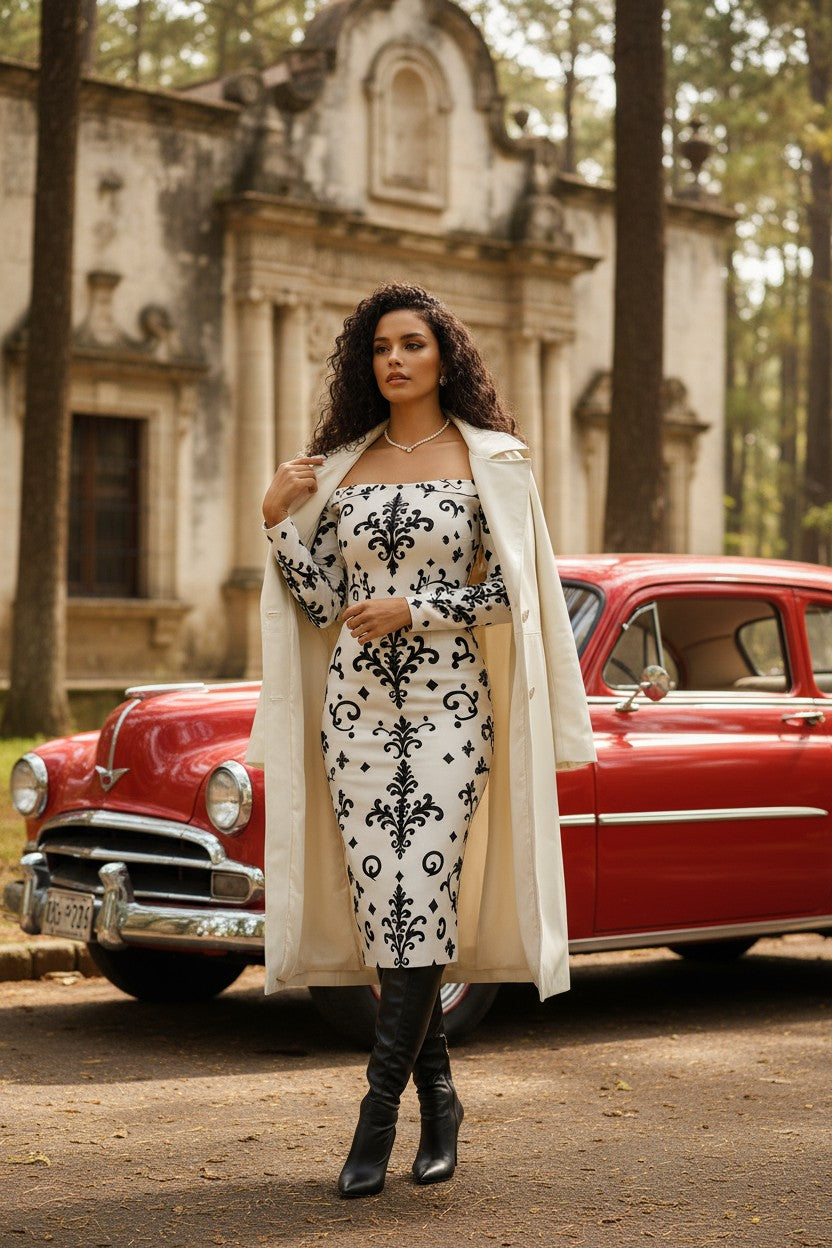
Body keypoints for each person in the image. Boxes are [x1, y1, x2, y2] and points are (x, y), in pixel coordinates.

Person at [247, 283, 595, 1198]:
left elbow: (517, 600)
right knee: (391, 915)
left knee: (415, 896)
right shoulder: (338, 468)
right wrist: (279, 522)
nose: (394, 360)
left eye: (412, 344)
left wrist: (420, 608)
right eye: (378, 348)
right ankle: (440, 1098)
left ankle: (375, 1120)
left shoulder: (494, 462)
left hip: (449, 713)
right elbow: (324, 605)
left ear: (446, 355)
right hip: (355, 720)